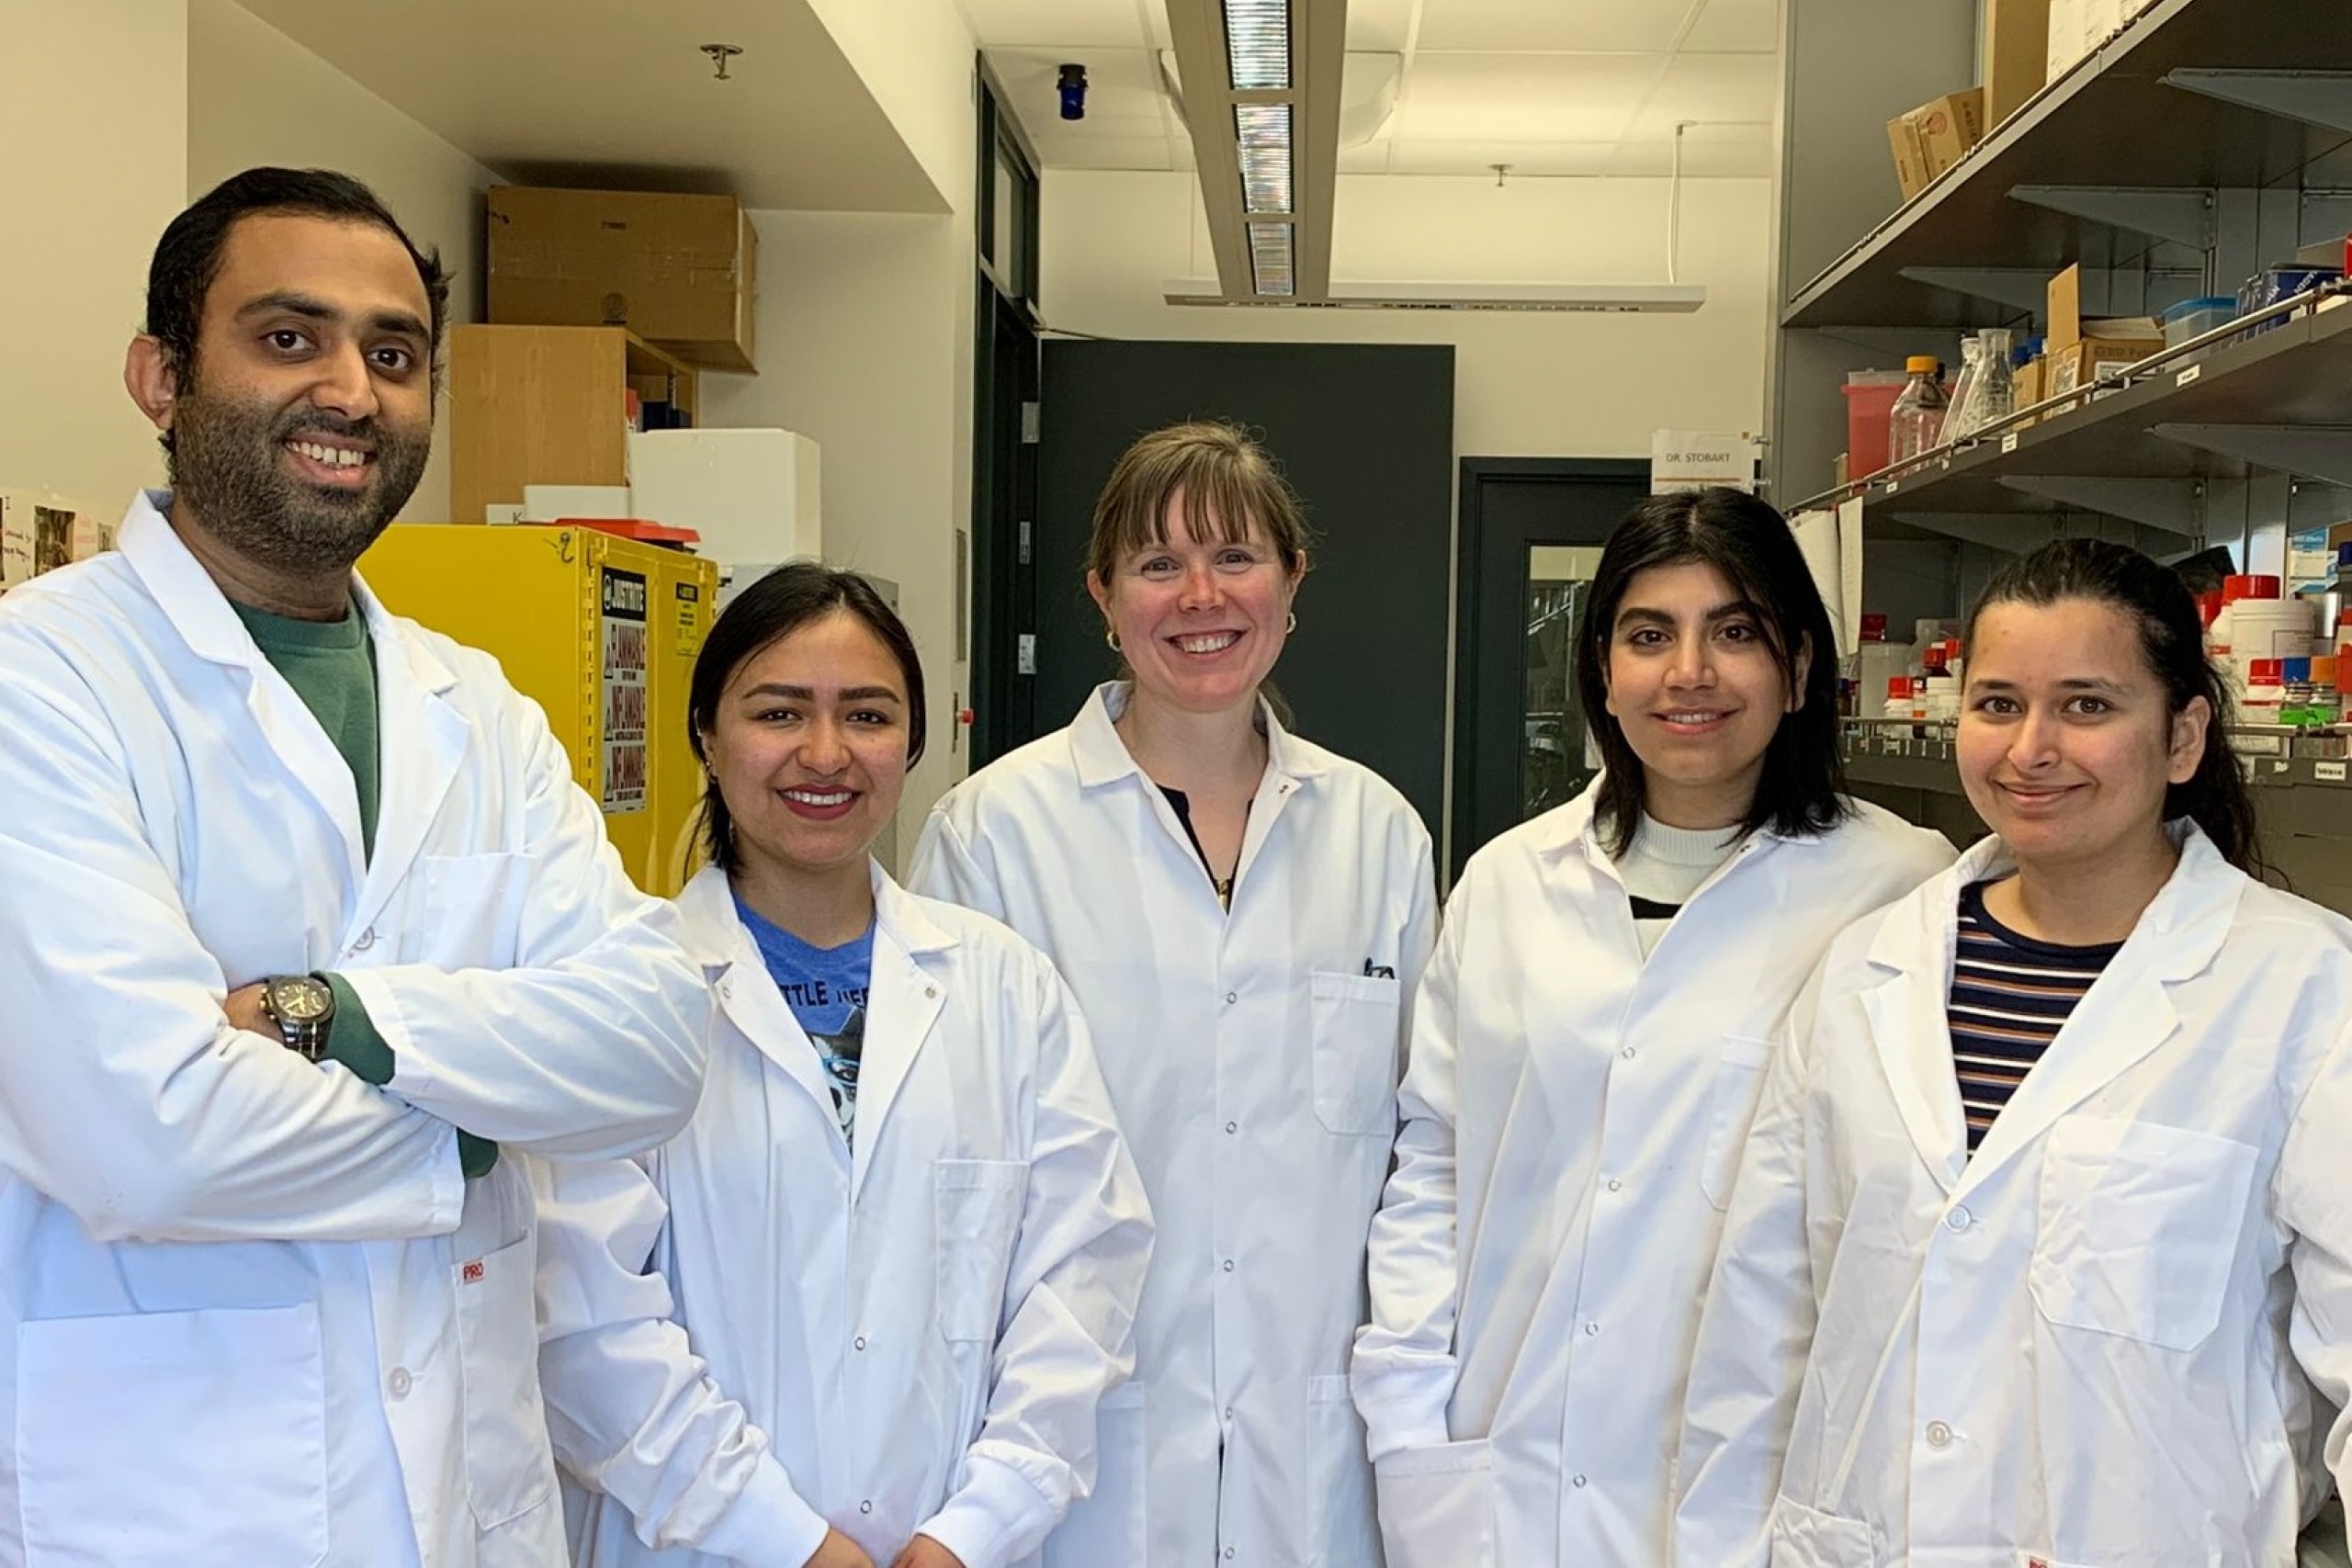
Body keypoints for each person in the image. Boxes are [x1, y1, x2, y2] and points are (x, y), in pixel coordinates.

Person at [0, 167, 711, 1567]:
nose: (351, 388)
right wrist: (492, 1123)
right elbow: (147, 1137)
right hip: (183, 1504)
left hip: (469, 1497)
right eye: (287, 337)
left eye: (393, 354)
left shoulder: (481, 711)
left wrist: (337, 1019)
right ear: (162, 375)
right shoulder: (44, 683)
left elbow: (657, 1038)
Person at [1672, 537, 2352, 1568]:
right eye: (1996, 704)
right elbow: (1761, 1335)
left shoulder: (2304, 989)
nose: (2029, 748)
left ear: (2182, 736)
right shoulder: (1866, 974)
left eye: (2086, 706)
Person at [1350, 487, 1955, 1568]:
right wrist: (1406, 1416)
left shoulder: (1901, 890)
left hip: (1762, 1480)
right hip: (1503, 1454)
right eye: (1647, 635)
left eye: (1735, 632)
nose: (1689, 672)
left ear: (1802, 667)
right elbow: (1431, 1164)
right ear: (1600, 673)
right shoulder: (1506, 883)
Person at [535, 564, 1155, 1568]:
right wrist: (788, 1541)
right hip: (699, 1546)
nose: (824, 754)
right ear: (706, 731)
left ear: (912, 742)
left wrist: (975, 1529)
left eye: (866, 715)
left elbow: (1085, 1278)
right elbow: (587, 1325)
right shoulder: (622, 992)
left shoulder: (1004, 989)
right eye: (779, 712)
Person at [910, 421, 1440, 1567]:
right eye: (1157, 564)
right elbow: (949, 1173)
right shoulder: (994, 837)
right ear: (1104, 597)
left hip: (1313, 1452)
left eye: (1235, 556)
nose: (1201, 595)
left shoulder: (1379, 835)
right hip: (1074, 1436)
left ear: (1292, 582)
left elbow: (1419, 1159)